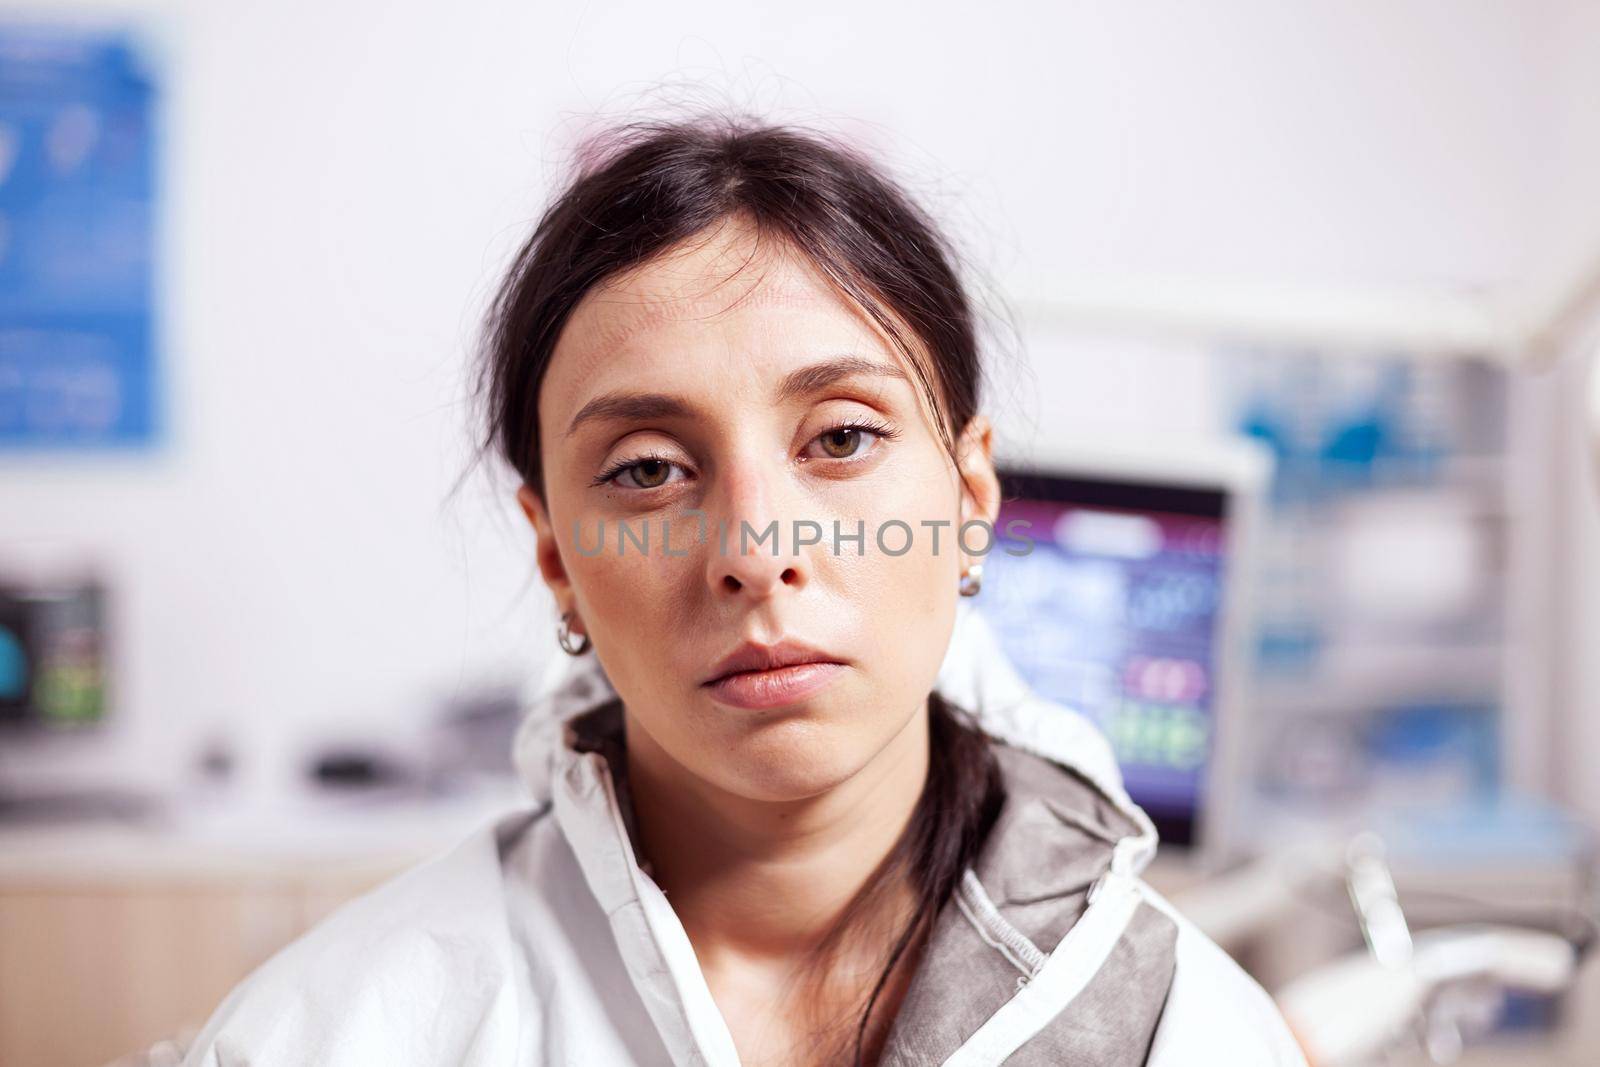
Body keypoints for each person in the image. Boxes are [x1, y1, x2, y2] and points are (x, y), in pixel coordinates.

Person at [180, 112, 1308, 1066]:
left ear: (969, 494)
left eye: (841, 437)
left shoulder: (1185, 1030)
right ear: (557, 557)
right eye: (647, 468)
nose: (756, 547)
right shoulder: (343, 1030)